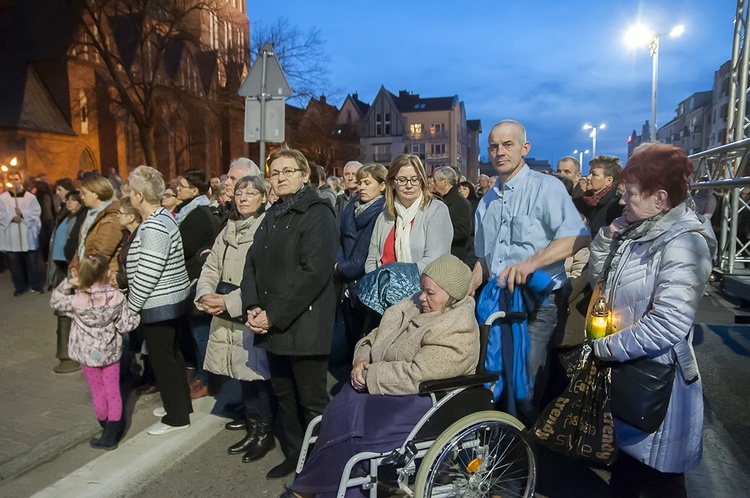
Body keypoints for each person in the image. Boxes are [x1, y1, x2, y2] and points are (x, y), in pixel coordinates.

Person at [285, 254, 479, 498]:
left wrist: (370, 374)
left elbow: (417, 374)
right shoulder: (411, 307)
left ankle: (309, 491)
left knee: (357, 432)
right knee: (338, 412)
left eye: (430, 293)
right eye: (422, 289)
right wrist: (361, 358)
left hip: (425, 399)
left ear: (453, 297)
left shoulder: (456, 327)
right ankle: (323, 489)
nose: (421, 297)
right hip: (387, 385)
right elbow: (374, 336)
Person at [588, 144, 716, 497]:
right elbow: (600, 282)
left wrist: (606, 348)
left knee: (660, 479)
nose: (623, 200)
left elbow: (669, 324)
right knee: (631, 473)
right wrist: (607, 238)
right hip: (632, 369)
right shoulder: (639, 229)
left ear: (660, 198)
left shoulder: (684, 242)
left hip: (660, 383)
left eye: (630, 193)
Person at [471, 120, 588, 423]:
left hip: (538, 304)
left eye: (508, 144)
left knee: (525, 389)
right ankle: (501, 452)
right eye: (494, 146)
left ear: (524, 148)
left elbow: (578, 236)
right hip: (498, 303)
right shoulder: (486, 201)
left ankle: (526, 459)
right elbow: (484, 260)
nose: (500, 152)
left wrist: (531, 263)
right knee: (494, 382)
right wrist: (465, 288)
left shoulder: (546, 187)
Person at [241, 148, 338, 479]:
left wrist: (273, 315)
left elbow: (314, 274)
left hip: (304, 324)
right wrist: (253, 306)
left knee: (312, 402)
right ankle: (298, 457)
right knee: (284, 396)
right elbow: (252, 262)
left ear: (304, 175)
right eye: (275, 172)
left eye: (288, 171)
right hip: (273, 323)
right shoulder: (274, 213)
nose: (280, 177)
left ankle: (324, 464)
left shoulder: (317, 211)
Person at [195, 175, 273, 464]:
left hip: (248, 312)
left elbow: (265, 278)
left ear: (264, 198)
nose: (243, 198)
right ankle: (252, 429)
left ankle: (264, 433)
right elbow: (212, 265)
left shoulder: (266, 228)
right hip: (224, 311)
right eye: (239, 193)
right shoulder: (228, 228)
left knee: (256, 375)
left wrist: (228, 302)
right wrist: (205, 294)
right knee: (241, 374)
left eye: (251, 193)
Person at [126, 165, 193, 436]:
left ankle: (176, 417)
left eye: (131, 192)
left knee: (164, 359)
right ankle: (179, 405)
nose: (129, 196)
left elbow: (149, 272)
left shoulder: (154, 225)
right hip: (170, 302)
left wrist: (132, 307)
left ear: (140, 195)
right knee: (172, 356)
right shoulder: (164, 217)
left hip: (158, 305)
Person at [50, 254, 140, 450]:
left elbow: (56, 301)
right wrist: (136, 317)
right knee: (113, 391)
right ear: (108, 273)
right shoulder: (117, 297)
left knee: (97, 391)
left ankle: (105, 426)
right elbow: (126, 325)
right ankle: (112, 433)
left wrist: (69, 282)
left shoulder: (77, 300)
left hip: (87, 354)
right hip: (110, 353)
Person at [365, 154, 453, 274]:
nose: (409, 185)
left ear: (422, 181)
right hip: (383, 289)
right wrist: (377, 282)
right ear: (392, 183)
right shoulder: (384, 217)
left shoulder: (436, 210)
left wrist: (396, 280)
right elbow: (371, 260)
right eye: (402, 180)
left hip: (421, 289)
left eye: (415, 179)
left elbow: (435, 260)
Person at [335, 163, 387, 362]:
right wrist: (338, 264)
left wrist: (343, 267)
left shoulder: (382, 212)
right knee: (350, 336)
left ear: (382, 186)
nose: (361, 187)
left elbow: (365, 251)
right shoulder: (351, 207)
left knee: (364, 340)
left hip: (365, 281)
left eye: (367, 183)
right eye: (360, 183)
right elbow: (341, 240)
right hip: (347, 284)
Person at [47, 189, 88, 374]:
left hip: (73, 268)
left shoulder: (83, 217)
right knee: (62, 308)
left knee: (66, 310)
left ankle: (69, 354)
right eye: (68, 200)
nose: (69, 203)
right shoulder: (65, 216)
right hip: (63, 267)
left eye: (74, 200)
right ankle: (67, 352)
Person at [69, 175, 122, 284]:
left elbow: (101, 252)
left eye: (84, 193)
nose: (82, 197)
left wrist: (84, 275)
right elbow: (82, 245)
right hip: (89, 272)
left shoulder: (110, 217)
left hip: (101, 277)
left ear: (96, 193)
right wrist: (74, 265)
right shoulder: (91, 215)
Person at [0, 171, 44, 296]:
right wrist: (12, 217)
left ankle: (35, 285)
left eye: (16, 179)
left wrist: (23, 214)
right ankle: (20, 287)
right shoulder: (3, 198)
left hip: (27, 234)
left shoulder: (30, 197)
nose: (14, 182)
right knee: (15, 264)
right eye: (11, 180)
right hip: (11, 235)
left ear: (20, 180)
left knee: (31, 262)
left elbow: (36, 212)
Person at [433, 166, 474, 266]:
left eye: (435, 181)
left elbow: (462, 232)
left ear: (445, 182)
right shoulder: (439, 200)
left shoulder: (460, 203)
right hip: (441, 256)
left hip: (455, 257)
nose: (432, 184)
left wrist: (437, 235)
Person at [574, 155, 624, 237]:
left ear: (609, 180)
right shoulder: (579, 202)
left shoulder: (616, 206)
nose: (588, 177)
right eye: (589, 173)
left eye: (594, 174)